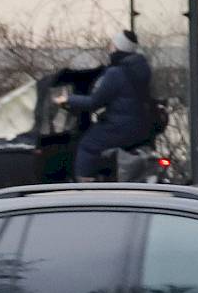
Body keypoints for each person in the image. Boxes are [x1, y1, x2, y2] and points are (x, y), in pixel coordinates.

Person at [59, 30, 155, 182]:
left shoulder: (115, 73)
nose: (109, 47)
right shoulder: (141, 69)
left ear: (117, 47)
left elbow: (94, 103)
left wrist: (68, 99)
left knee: (87, 145)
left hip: (120, 126)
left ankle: (85, 188)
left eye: (112, 44)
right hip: (140, 125)